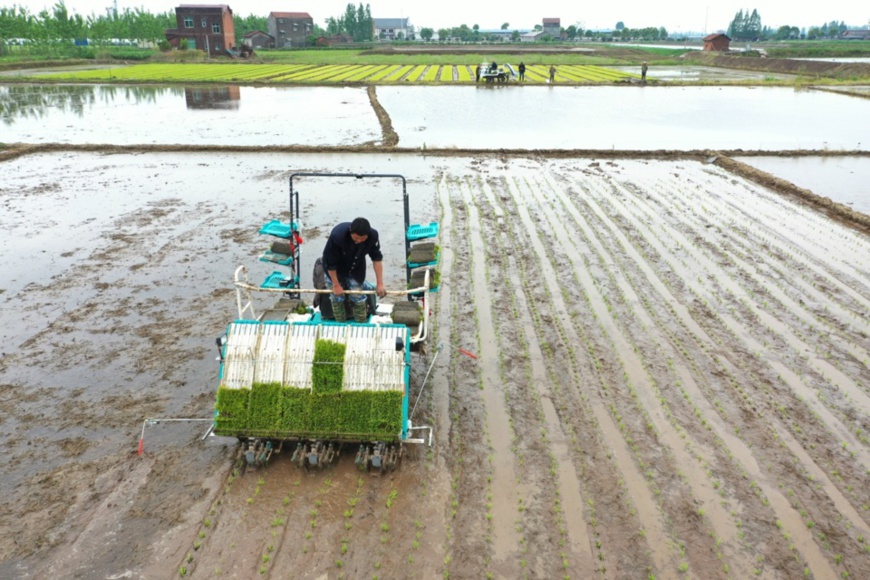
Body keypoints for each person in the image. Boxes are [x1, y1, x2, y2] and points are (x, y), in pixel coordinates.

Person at [321, 217, 386, 322]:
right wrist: (336, 285)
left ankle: (360, 322)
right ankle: (340, 322)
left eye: (363, 239)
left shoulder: (373, 236)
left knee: (357, 295)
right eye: (356, 238)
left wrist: (380, 283)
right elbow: (331, 264)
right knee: (336, 297)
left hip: (356, 266)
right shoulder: (338, 236)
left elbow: (377, 259)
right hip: (335, 267)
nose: (359, 241)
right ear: (351, 231)